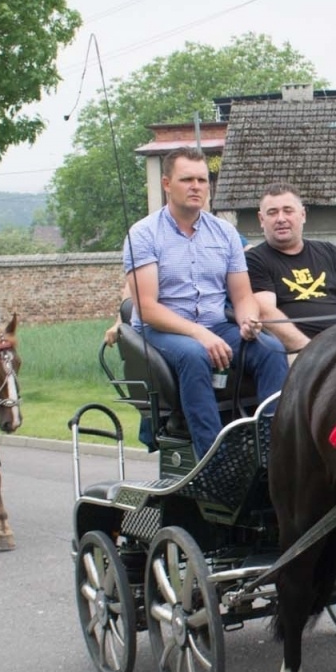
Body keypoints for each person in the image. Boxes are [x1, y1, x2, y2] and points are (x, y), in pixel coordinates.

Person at [122, 147, 287, 461]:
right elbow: (146, 307)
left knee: (272, 349)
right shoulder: (143, 235)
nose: (196, 186)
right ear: (167, 184)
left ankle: (272, 450)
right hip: (161, 331)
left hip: (216, 326)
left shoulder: (224, 233)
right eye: (187, 180)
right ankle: (214, 460)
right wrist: (200, 334)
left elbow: (242, 297)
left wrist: (248, 321)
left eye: (202, 180)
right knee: (194, 354)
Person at [245, 183, 336, 354]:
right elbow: (267, 315)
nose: (281, 219)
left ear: (303, 215)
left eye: (288, 211)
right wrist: (312, 352)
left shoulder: (329, 252)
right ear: (261, 219)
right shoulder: (254, 260)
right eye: (272, 212)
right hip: (297, 353)